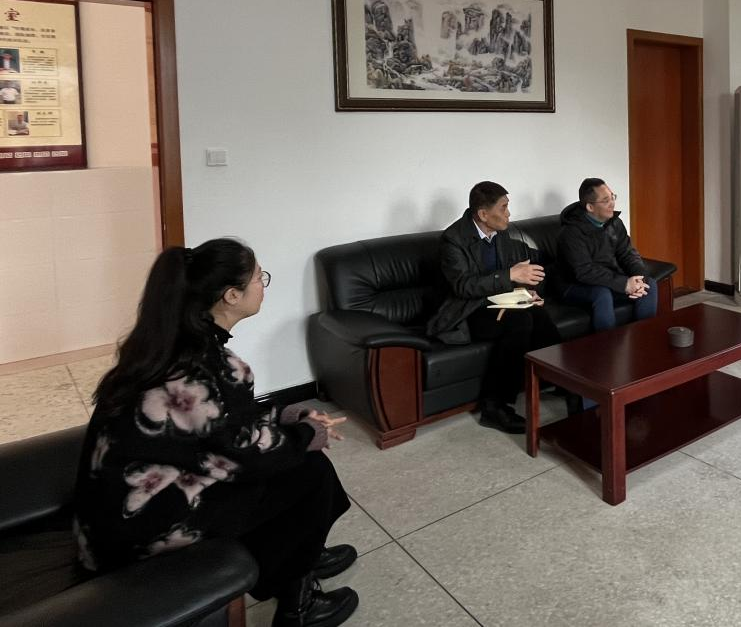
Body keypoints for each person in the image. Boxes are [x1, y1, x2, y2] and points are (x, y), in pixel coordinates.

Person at [74, 239, 359, 627]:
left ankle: (305, 553)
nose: (263, 285)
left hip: (118, 509)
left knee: (301, 468)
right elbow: (241, 456)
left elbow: (220, 422)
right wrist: (306, 434)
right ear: (231, 295)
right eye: (259, 278)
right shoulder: (205, 364)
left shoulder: (169, 341)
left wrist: (288, 416)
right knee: (309, 473)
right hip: (138, 525)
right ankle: (298, 602)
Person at [427, 181, 562, 434]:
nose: (509, 213)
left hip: (498, 301)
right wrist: (510, 276)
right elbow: (463, 286)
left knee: (537, 313)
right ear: (483, 214)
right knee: (519, 321)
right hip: (466, 310)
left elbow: (513, 273)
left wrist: (525, 292)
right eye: (503, 207)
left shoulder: (500, 233)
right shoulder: (453, 240)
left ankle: (565, 380)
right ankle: (494, 407)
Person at [557, 178, 657, 332]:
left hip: (607, 279)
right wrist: (623, 283)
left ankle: (644, 337)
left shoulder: (615, 223)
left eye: (612, 197)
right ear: (590, 207)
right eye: (605, 200)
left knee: (649, 284)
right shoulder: (571, 232)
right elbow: (584, 271)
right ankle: (608, 345)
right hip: (574, 284)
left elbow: (627, 254)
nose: (612, 203)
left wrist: (639, 278)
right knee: (602, 294)